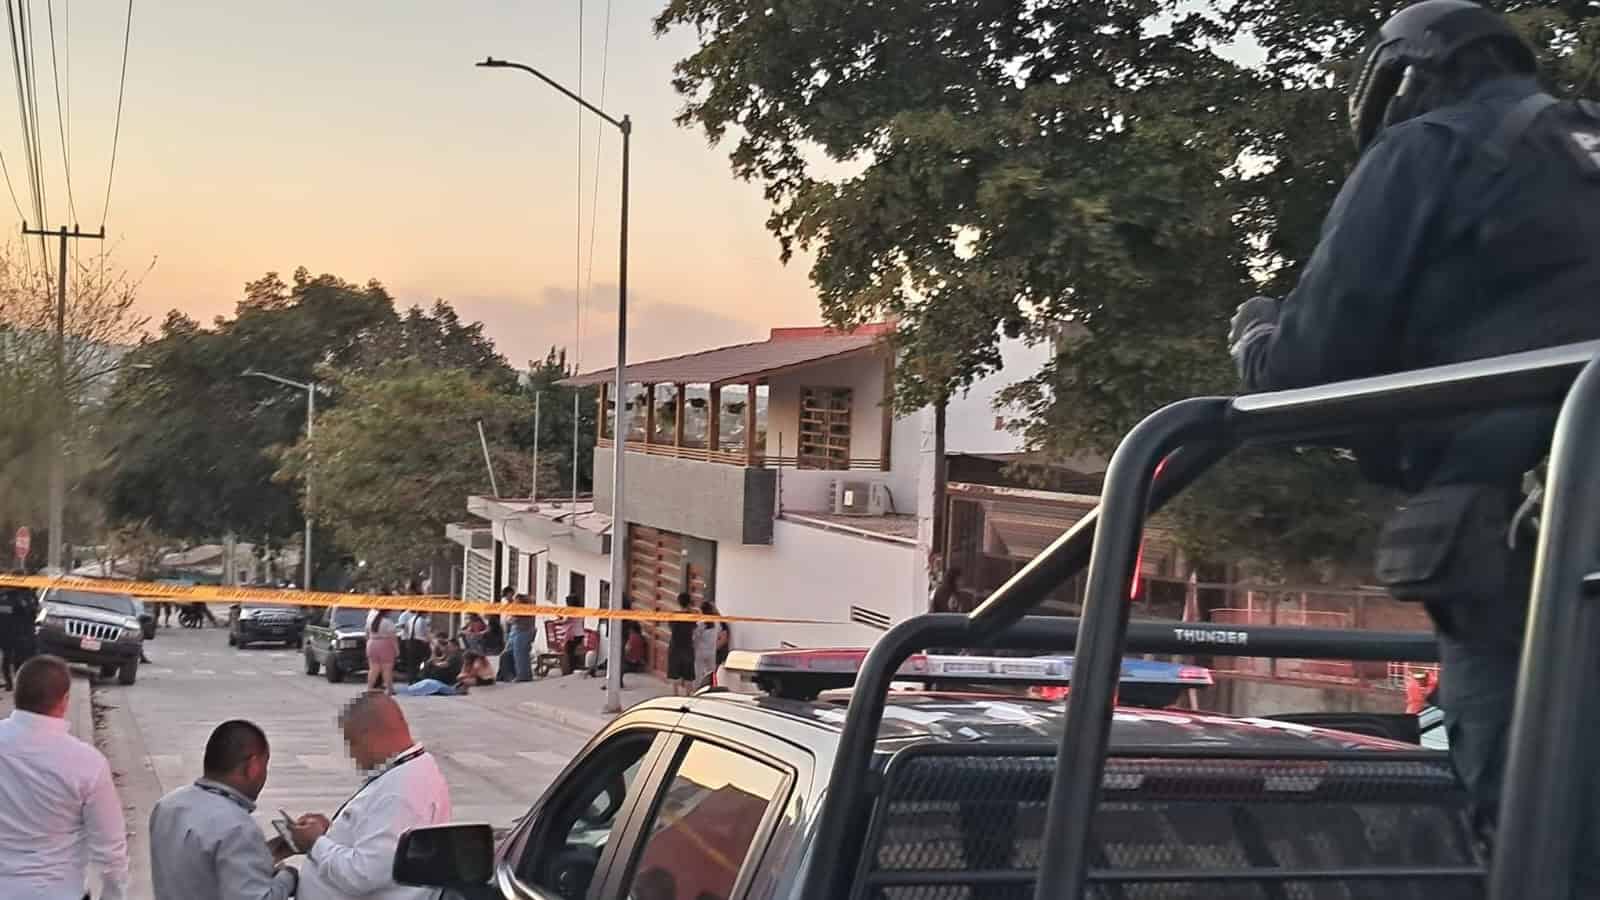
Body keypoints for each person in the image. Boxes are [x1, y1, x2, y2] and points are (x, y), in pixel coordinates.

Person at [1227, 0, 1600, 874]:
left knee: (1543, 825)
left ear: (1401, 82)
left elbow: (1311, 371)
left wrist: (1257, 338)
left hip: (1539, 540)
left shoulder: (1428, 148)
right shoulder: (1580, 148)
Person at [287, 692, 451, 900]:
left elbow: (363, 875)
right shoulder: (412, 770)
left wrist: (316, 843)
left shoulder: (400, 792)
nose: (352, 755)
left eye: (352, 743)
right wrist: (332, 832)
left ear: (370, 736)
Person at [0, 655, 129, 900]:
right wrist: (113, 894)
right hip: (58, 890)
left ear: (16, 693)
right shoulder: (87, 763)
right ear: (65, 700)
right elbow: (110, 848)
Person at [148, 719, 298, 899]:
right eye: (265, 766)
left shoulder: (167, 805)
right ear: (253, 767)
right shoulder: (238, 826)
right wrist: (288, 877)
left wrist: (271, 851)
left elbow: (202, 864)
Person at [396, 651, 495, 697]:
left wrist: (464, 675)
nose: (465, 662)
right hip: (476, 677)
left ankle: (460, 690)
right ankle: (458, 689)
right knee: (462, 679)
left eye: (466, 660)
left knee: (465, 680)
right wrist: (464, 672)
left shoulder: (478, 661)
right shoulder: (470, 663)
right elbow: (461, 674)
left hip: (486, 680)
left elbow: (472, 674)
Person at [0, 586, 37, 690]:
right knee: (10, 658)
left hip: (19, 632)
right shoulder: (5, 594)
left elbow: (33, 612)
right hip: (10, 632)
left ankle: (14, 683)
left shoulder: (28, 595)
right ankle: (10, 683)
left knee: (16, 659)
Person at [668, 592, 697, 696]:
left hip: (675, 647)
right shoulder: (692, 616)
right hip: (687, 647)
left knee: (674, 674)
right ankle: (688, 695)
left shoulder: (673, 616)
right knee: (688, 674)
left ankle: (675, 695)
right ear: (689, 602)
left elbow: (671, 628)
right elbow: (694, 628)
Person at [366, 608, 399, 695]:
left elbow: (366, 633)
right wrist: (396, 649)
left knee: (373, 668)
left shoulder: (371, 621)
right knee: (387, 668)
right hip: (385, 644)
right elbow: (393, 637)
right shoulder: (388, 622)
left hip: (372, 643)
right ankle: (389, 689)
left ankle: (369, 687)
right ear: (387, 612)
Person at [505, 592, 536, 682]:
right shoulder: (526, 608)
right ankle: (526, 674)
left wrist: (510, 618)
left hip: (522, 632)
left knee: (520, 655)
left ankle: (522, 675)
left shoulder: (522, 609)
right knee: (523, 655)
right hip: (523, 632)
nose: (515, 603)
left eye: (517, 601)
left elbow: (512, 619)